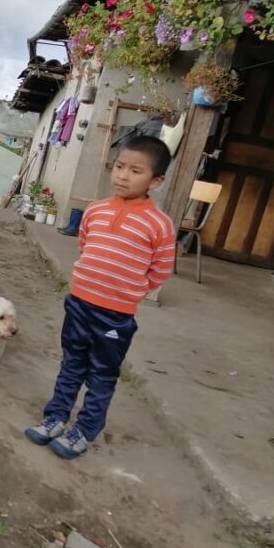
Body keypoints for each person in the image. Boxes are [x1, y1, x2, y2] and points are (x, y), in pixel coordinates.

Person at [24, 136, 175, 460]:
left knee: (102, 373)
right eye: (119, 166)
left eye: (136, 171)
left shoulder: (159, 225)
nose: (123, 175)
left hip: (115, 316)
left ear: (156, 180)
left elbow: (160, 271)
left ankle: (84, 430)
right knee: (71, 363)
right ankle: (56, 417)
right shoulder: (95, 211)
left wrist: (128, 291)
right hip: (79, 303)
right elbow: (86, 247)